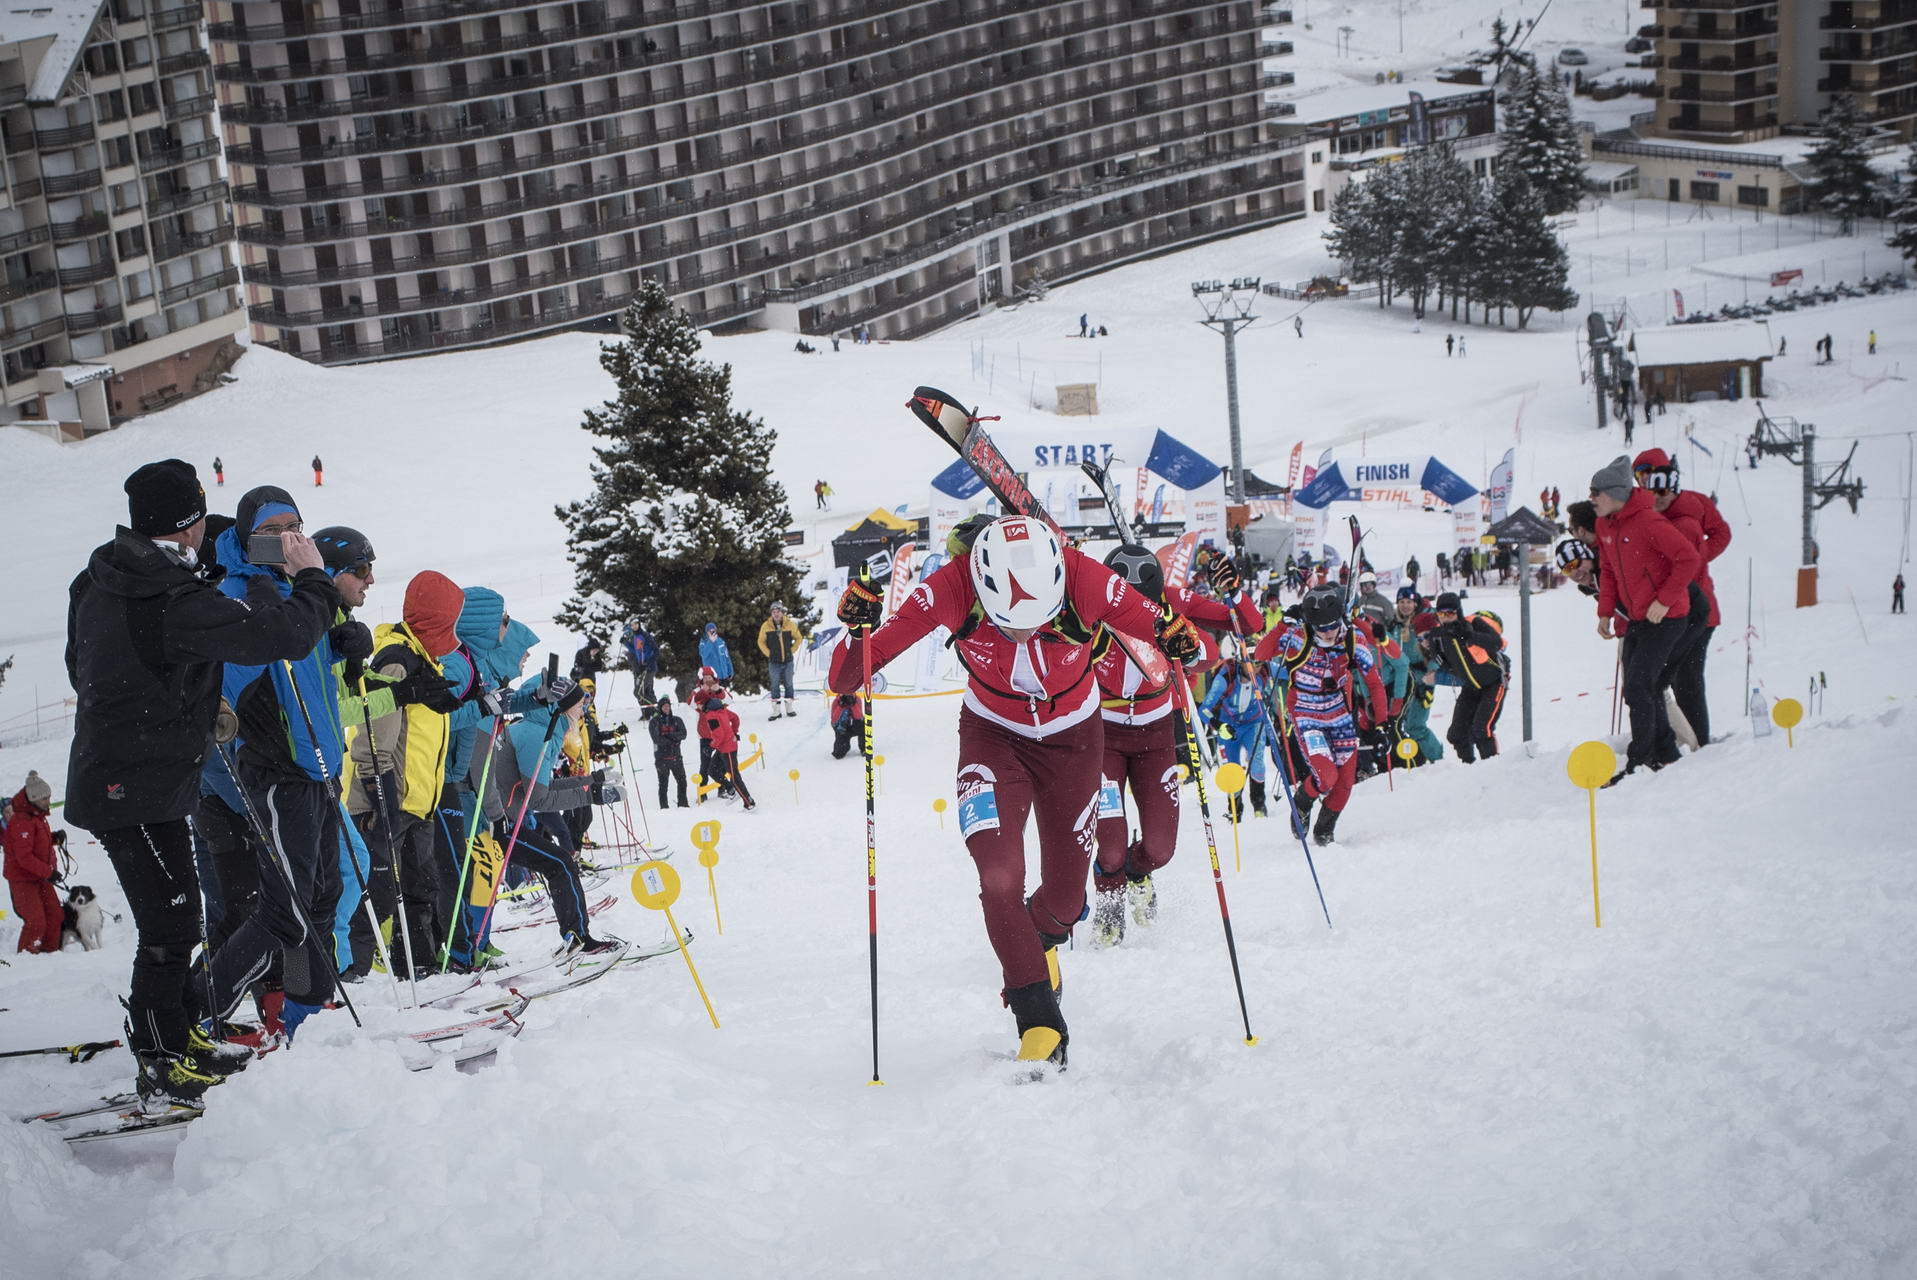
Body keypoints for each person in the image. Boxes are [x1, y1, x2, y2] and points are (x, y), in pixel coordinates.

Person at [827, 515, 1174, 1067]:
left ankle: (1033, 945)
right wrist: (857, 626)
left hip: (1077, 741)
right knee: (999, 877)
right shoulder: (950, 586)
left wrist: (1177, 632)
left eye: (1038, 622)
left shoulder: (1085, 578)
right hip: (992, 737)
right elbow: (849, 679)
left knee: (1067, 899)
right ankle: (1039, 1022)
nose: (1023, 634)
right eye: (1008, 623)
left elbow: (1164, 624)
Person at [67, 461, 338, 1106]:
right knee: (170, 925)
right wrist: (314, 580)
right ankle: (161, 1060)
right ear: (191, 522)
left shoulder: (103, 575)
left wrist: (172, 702)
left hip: (127, 772)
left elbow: (85, 665)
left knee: (178, 919)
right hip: (138, 783)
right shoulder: (167, 595)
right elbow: (282, 636)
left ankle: (174, 1041)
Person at [1091, 547, 1242, 945]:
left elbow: (1208, 651)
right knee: (1108, 850)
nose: (1133, 611)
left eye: (1142, 602)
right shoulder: (1092, 615)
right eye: (1126, 602)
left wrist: (1190, 646)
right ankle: (1109, 907)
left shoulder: (1166, 613)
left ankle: (1139, 873)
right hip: (1102, 738)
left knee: (1160, 849)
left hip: (1155, 737)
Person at [344, 571, 467, 978]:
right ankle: (352, 975)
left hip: (417, 801)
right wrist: (376, 787)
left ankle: (419, 968)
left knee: (420, 890)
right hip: (387, 795)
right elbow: (372, 727)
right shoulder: (397, 660)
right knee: (377, 896)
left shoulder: (423, 658)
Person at [1589, 456, 1701, 785]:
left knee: (1639, 686)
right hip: (1637, 616)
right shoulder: (1605, 525)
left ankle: (1641, 759)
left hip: (1669, 617)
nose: (1591, 498)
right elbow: (1608, 570)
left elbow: (1688, 558)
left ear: (1614, 493)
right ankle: (1665, 753)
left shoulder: (1649, 523)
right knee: (1642, 686)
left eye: (1596, 492)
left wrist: (1664, 600)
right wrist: (1605, 612)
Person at [1254, 586, 1386, 845]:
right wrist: (1283, 624)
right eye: (1320, 627)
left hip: (1340, 714)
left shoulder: (1352, 638)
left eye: (1332, 625)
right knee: (1326, 777)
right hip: (1307, 713)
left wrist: (1381, 725)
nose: (1327, 632)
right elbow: (1260, 654)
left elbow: (1374, 683)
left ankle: (1324, 830)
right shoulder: (1298, 636)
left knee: (1345, 784)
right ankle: (1302, 802)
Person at [1634, 449, 1731, 747]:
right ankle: (1689, 738)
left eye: (1649, 472)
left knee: (1685, 678)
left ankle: (1698, 740)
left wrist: (1697, 559)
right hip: (1678, 607)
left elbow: (1721, 534)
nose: (1646, 480)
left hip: (1695, 608)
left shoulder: (1689, 511)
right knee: (1677, 677)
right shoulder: (1652, 510)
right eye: (1640, 476)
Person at [1424, 592, 1507, 764]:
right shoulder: (1439, 636)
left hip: (1494, 682)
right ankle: (1469, 769)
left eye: (1450, 613)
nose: (1446, 618)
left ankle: (1493, 770)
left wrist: (1470, 636)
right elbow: (1450, 666)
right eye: (1441, 614)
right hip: (1471, 686)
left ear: (1458, 612)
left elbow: (1496, 643)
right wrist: (1434, 654)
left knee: (1482, 730)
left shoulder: (1473, 624)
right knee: (1456, 734)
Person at [5, 771, 60, 954]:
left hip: (40, 875)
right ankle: (28, 958)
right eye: (45, 799)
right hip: (23, 879)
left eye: (49, 798)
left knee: (55, 915)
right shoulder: (22, 821)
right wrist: (48, 872)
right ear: (33, 799)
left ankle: (49, 953)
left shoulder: (37, 815)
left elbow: (36, 844)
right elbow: (24, 858)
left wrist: (53, 838)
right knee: (36, 922)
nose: (48, 802)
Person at [701, 699, 755, 810]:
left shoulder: (711, 716)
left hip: (728, 749)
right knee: (711, 770)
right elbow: (735, 718)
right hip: (723, 747)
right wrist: (734, 732)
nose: (698, 705)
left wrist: (711, 746)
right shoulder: (723, 710)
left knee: (735, 777)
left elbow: (719, 735)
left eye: (700, 703)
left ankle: (749, 803)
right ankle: (731, 789)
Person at [757, 602, 803, 718]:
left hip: (788, 661)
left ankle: (789, 708)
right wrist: (769, 653)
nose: (776, 614)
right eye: (774, 612)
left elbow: (798, 638)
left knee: (789, 684)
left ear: (782, 613)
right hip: (774, 662)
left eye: (778, 612)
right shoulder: (766, 626)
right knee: (774, 685)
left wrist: (792, 650)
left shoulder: (790, 624)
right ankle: (776, 711)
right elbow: (760, 641)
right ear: (771, 614)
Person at [649, 694, 691, 806]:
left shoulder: (677, 720)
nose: (667, 708)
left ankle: (683, 804)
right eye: (664, 706)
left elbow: (683, 734)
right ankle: (664, 808)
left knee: (682, 781)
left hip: (676, 757)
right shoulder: (654, 722)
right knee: (663, 785)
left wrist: (669, 736)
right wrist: (673, 740)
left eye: (668, 706)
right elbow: (657, 739)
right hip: (661, 759)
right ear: (660, 708)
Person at [619, 618, 658, 710]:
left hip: (649, 668)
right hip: (642, 668)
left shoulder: (644, 636)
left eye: (636, 624)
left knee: (640, 692)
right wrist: (625, 643)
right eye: (632, 625)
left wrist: (649, 663)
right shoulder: (636, 638)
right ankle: (650, 712)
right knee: (642, 692)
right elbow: (636, 651)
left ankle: (658, 710)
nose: (634, 627)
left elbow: (655, 650)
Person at [830, 692, 866, 759]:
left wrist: (853, 704)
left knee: (863, 725)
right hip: (841, 728)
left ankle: (864, 748)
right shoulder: (836, 701)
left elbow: (859, 717)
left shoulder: (857, 699)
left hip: (854, 725)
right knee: (838, 754)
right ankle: (844, 745)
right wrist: (841, 707)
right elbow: (834, 720)